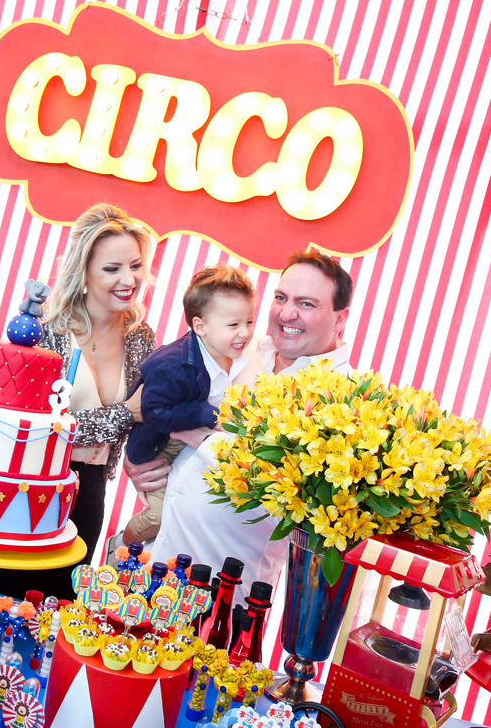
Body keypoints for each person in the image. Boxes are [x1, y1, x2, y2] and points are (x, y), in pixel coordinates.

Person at [146, 251, 354, 600]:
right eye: (281, 298)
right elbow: (170, 387)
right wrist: (141, 458)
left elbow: (290, 488)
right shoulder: (245, 346)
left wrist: (203, 439)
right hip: (158, 557)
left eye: (306, 303)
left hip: (221, 587)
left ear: (340, 318)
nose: (287, 313)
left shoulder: (342, 398)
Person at [0, 203, 155, 600]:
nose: (128, 279)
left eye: (135, 265)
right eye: (112, 268)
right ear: (84, 273)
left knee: (58, 607)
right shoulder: (46, 330)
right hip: (25, 489)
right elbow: (35, 429)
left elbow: (146, 417)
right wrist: (122, 415)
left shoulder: (141, 337)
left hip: (89, 492)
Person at [120, 264, 255, 545]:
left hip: (189, 449)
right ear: (200, 326)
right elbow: (152, 412)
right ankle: (120, 547)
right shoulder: (174, 365)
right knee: (156, 518)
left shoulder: (230, 354)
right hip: (157, 447)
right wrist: (207, 414)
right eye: (233, 325)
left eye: (249, 322)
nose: (244, 333)